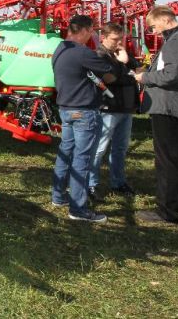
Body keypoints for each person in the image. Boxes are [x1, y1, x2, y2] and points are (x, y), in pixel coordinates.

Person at [134, 5, 178, 224]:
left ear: (165, 19)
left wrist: (145, 78)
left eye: (153, 26)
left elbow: (173, 74)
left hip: (170, 106)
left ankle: (168, 211)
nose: (153, 32)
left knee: (168, 160)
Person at [51, 15, 117, 223]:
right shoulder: (83, 53)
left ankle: (58, 195)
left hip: (66, 108)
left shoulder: (60, 49)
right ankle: (78, 209)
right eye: (92, 32)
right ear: (86, 30)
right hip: (84, 111)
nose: (94, 36)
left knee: (66, 152)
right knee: (83, 159)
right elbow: (111, 76)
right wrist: (119, 60)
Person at [88, 22, 138, 198]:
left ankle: (118, 182)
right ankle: (90, 184)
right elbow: (108, 78)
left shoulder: (121, 54)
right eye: (114, 39)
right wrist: (130, 74)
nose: (118, 43)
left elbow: (140, 70)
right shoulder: (99, 55)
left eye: (120, 39)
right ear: (103, 38)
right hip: (108, 108)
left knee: (120, 148)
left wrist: (128, 61)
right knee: (99, 148)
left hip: (125, 107)